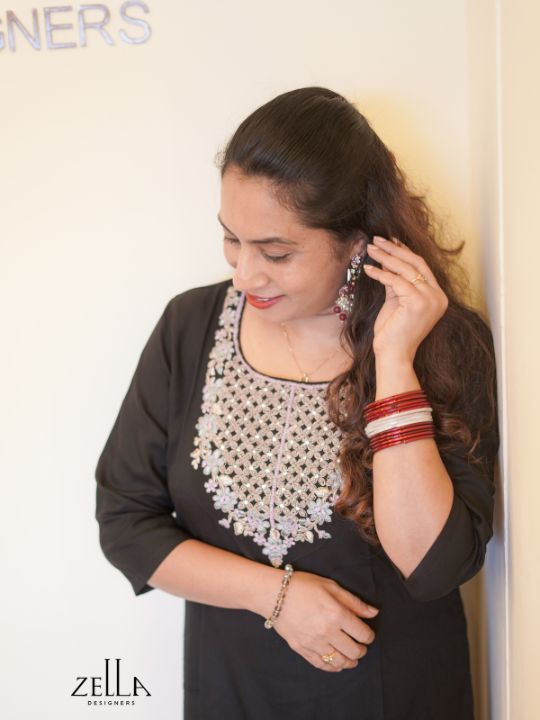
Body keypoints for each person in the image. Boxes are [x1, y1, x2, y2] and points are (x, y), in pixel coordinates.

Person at [94, 86, 499, 719]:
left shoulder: (443, 343)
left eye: (276, 252)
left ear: (357, 241)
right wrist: (275, 596)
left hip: (395, 698)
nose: (245, 274)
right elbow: (126, 523)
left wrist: (395, 361)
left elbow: (432, 567)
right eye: (232, 239)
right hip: (231, 694)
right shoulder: (190, 327)